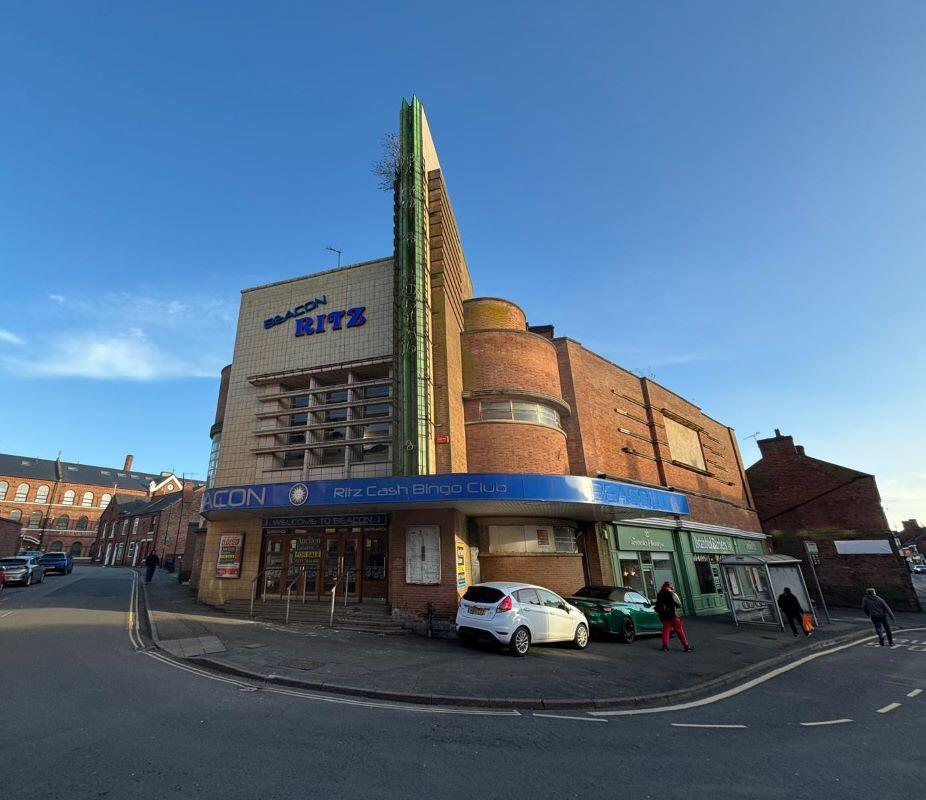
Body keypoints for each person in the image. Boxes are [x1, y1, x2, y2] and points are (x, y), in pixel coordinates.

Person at [654, 581, 694, 652]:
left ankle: (665, 646)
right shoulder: (671, 593)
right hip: (672, 615)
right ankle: (686, 646)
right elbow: (678, 604)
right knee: (679, 630)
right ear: (670, 586)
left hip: (664, 615)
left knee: (666, 630)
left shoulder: (659, 593)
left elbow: (658, 605)